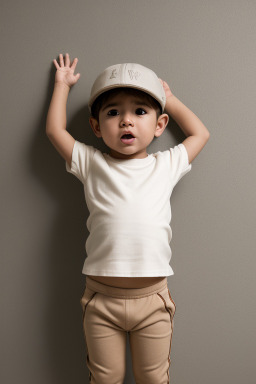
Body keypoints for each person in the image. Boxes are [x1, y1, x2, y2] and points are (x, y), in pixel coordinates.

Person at [46, 53, 210, 383]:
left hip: (152, 300)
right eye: (113, 112)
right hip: (101, 298)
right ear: (95, 126)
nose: (126, 121)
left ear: (160, 125)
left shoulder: (165, 165)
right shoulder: (92, 163)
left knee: (154, 379)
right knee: (105, 378)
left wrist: (171, 100)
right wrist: (61, 85)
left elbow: (200, 134)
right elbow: (54, 130)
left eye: (139, 111)